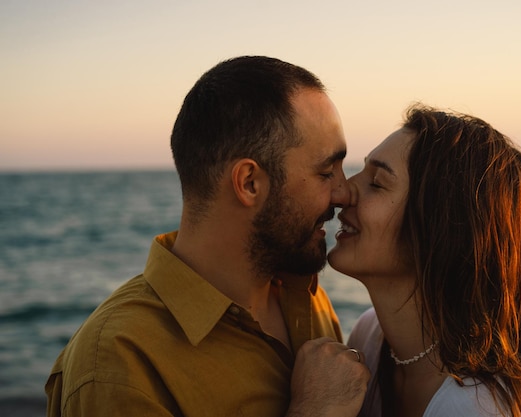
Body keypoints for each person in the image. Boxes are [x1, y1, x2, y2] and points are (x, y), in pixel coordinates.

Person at [45, 56, 370, 417]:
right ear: (249, 183)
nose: (343, 194)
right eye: (326, 172)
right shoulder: (118, 365)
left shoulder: (306, 296)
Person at [328, 103, 521, 416]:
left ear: (439, 228)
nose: (341, 192)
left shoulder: (476, 407)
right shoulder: (369, 337)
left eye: (377, 182)